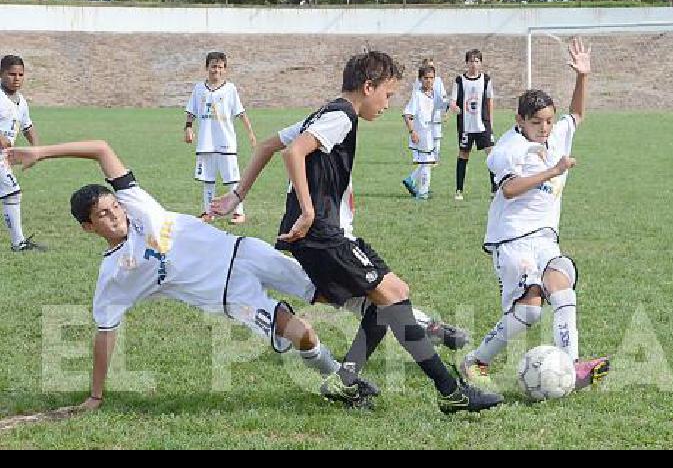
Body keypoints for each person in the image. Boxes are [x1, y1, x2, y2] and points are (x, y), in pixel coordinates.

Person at [213, 51, 502, 413]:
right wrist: (306, 209)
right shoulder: (342, 116)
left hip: (322, 236)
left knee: (384, 304)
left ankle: (346, 381)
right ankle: (449, 392)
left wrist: (237, 194)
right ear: (368, 87)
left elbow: (271, 144)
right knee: (393, 295)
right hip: (322, 235)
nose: (387, 104)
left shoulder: (325, 112)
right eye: (387, 94)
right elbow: (293, 154)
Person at [6, 139, 378, 411]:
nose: (115, 215)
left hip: (243, 252)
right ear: (88, 228)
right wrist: (96, 395)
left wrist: (41, 152)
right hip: (231, 298)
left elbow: (102, 148)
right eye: (102, 215)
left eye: (113, 206)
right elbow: (105, 334)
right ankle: (343, 383)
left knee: (330, 292)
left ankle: (411, 321)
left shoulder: (139, 206)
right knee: (303, 333)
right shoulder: (114, 276)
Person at [459, 38, 610, 393]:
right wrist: (553, 171)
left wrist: (582, 77)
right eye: (537, 122)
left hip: (544, 237)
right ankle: (476, 360)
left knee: (562, 286)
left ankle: (572, 367)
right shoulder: (506, 150)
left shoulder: (556, 134)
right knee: (529, 312)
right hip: (511, 239)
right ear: (520, 121)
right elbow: (509, 189)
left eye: (548, 121)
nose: (545, 128)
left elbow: (577, 115)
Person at [184, 51, 257, 224]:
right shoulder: (199, 89)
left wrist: (251, 134)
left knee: (232, 179)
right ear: (207, 67)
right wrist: (187, 128)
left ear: (225, 69)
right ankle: (209, 212)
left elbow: (240, 113)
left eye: (220, 67)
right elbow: (191, 111)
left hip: (226, 142)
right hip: (206, 142)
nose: (216, 70)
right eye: (213, 66)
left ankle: (239, 212)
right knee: (207, 179)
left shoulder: (230, 89)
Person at [0, 55, 45, 252]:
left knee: (11, 192)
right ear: (1, 74)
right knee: (12, 192)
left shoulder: (21, 101)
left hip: (4, 156)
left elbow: (27, 126)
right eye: (11, 74)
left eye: (20, 74)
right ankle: (18, 243)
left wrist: (37, 149)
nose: (16, 78)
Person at [449, 49, 495, 200]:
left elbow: (489, 100)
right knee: (463, 154)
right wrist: (454, 107)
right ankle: (459, 190)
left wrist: (490, 121)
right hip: (466, 124)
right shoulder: (459, 80)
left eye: (477, 61)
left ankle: (494, 189)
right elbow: (453, 100)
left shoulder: (486, 79)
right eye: (471, 61)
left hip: (483, 124)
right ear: (466, 63)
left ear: (480, 63)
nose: (474, 64)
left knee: (491, 154)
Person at [401, 65, 449, 200]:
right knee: (427, 163)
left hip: (432, 133)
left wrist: (453, 107)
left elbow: (444, 105)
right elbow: (407, 115)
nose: (429, 81)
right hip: (421, 134)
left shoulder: (435, 95)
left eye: (431, 78)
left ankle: (412, 181)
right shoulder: (417, 95)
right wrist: (412, 132)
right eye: (426, 78)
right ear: (420, 79)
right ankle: (422, 193)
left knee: (427, 162)